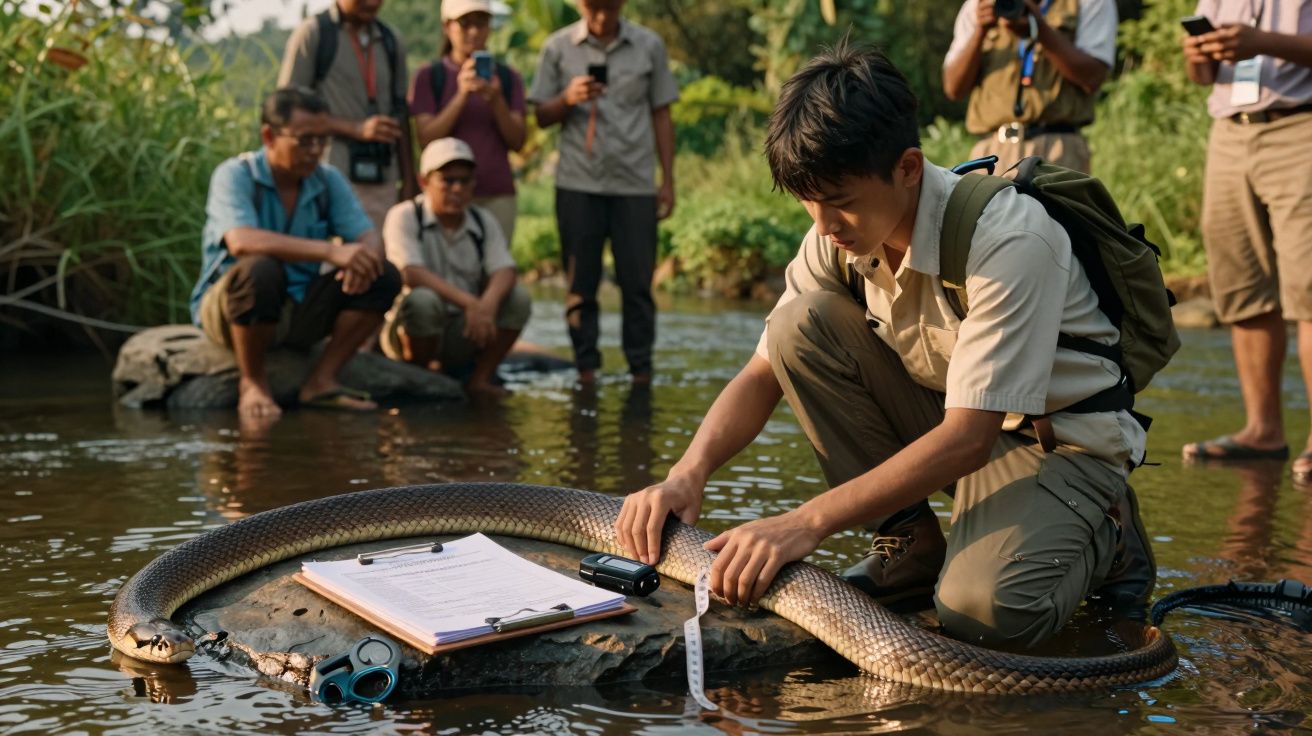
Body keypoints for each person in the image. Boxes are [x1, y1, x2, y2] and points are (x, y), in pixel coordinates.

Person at [615, 43, 1155, 649]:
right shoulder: (837, 234)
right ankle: (912, 546)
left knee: (984, 615)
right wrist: (687, 475)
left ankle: (1109, 532)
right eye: (808, 202)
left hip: (1057, 443)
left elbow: (969, 438)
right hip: (956, 419)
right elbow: (762, 371)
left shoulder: (1010, 240)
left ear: (908, 168)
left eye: (840, 203)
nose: (822, 225)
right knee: (800, 325)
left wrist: (802, 525)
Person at [189, 87, 401, 417]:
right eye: (304, 140)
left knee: (384, 276)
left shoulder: (328, 180)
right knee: (260, 269)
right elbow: (240, 241)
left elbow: (367, 236)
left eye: (322, 140)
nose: (315, 151)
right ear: (269, 136)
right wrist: (330, 253)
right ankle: (253, 383)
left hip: (298, 307)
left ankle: (321, 381)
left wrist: (361, 260)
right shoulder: (235, 175)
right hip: (233, 308)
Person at [1178, 0, 1312, 484]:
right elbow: (1201, 76)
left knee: (1309, 288)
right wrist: (1198, 50)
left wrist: (1261, 43)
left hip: (1302, 126)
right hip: (1230, 134)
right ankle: (1264, 430)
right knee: (1242, 282)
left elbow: (1261, 45)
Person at [528, 0, 679, 384]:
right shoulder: (557, 47)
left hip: (635, 184)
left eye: (609, 6)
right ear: (580, 5)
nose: (601, 15)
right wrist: (567, 99)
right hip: (578, 183)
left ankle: (641, 371)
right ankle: (586, 371)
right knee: (581, 286)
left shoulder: (649, 46)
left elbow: (661, 113)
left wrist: (668, 180)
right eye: (593, 6)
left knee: (638, 286)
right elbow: (540, 116)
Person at [380, 138, 531, 396]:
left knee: (518, 298)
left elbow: (505, 269)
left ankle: (479, 379)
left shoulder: (482, 221)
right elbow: (410, 272)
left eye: (465, 180)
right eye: (448, 180)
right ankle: (420, 374)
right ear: (424, 182)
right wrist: (471, 303)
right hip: (410, 327)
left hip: (463, 329)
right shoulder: (404, 215)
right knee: (423, 301)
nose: (457, 189)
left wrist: (487, 305)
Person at [278, 0, 415, 231]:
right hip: (329, 170)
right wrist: (355, 128)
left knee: (378, 258)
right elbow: (286, 109)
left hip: (382, 180)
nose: (372, 3)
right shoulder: (314, 34)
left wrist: (409, 181)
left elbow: (401, 112)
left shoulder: (391, 39)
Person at [942, 0, 1117, 173]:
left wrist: (1040, 30)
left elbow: (1093, 77)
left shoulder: (1090, 3)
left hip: (1059, 150)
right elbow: (953, 88)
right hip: (991, 154)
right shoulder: (978, 6)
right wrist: (980, 30)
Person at [410, 0, 527, 244]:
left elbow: (517, 141)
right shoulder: (430, 76)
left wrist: (496, 100)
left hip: (496, 193)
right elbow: (426, 138)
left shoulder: (508, 78)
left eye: (481, 23)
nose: (474, 31)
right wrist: (461, 95)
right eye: (465, 24)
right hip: (445, 196)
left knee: (494, 268)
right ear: (447, 27)